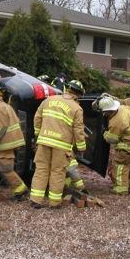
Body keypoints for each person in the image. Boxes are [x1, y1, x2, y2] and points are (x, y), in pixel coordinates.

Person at [30, 80, 86, 209]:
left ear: (67, 89)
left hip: (44, 142)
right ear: (78, 94)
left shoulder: (49, 100)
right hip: (61, 146)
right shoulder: (77, 108)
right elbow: (78, 129)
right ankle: (54, 203)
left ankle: (35, 200)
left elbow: (37, 118)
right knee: (57, 172)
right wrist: (81, 147)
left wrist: (38, 135)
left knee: (41, 170)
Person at [94, 95, 130, 195]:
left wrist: (104, 133)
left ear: (106, 112)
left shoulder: (115, 122)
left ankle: (121, 188)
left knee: (121, 166)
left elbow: (112, 139)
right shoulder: (124, 108)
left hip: (128, 147)